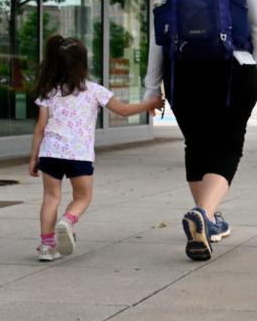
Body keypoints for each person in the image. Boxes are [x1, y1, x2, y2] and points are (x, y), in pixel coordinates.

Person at [144, 0, 257, 261]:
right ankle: (204, 215)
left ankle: (207, 222)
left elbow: (160, 37)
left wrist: (151, 87)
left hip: (182, 73)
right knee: (229, 144)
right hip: (233, 69)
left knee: (196, 145)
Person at [29, 35, 164, 262]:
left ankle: (46, 245)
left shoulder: (49, 92)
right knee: (82, 197)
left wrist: (34, 157)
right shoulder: (94, 90)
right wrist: (150, 103)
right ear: (83, 65)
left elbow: (40, 127)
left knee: (50, 197)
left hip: (50, 152)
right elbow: (123, 110)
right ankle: (68, 220)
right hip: (78, 154)